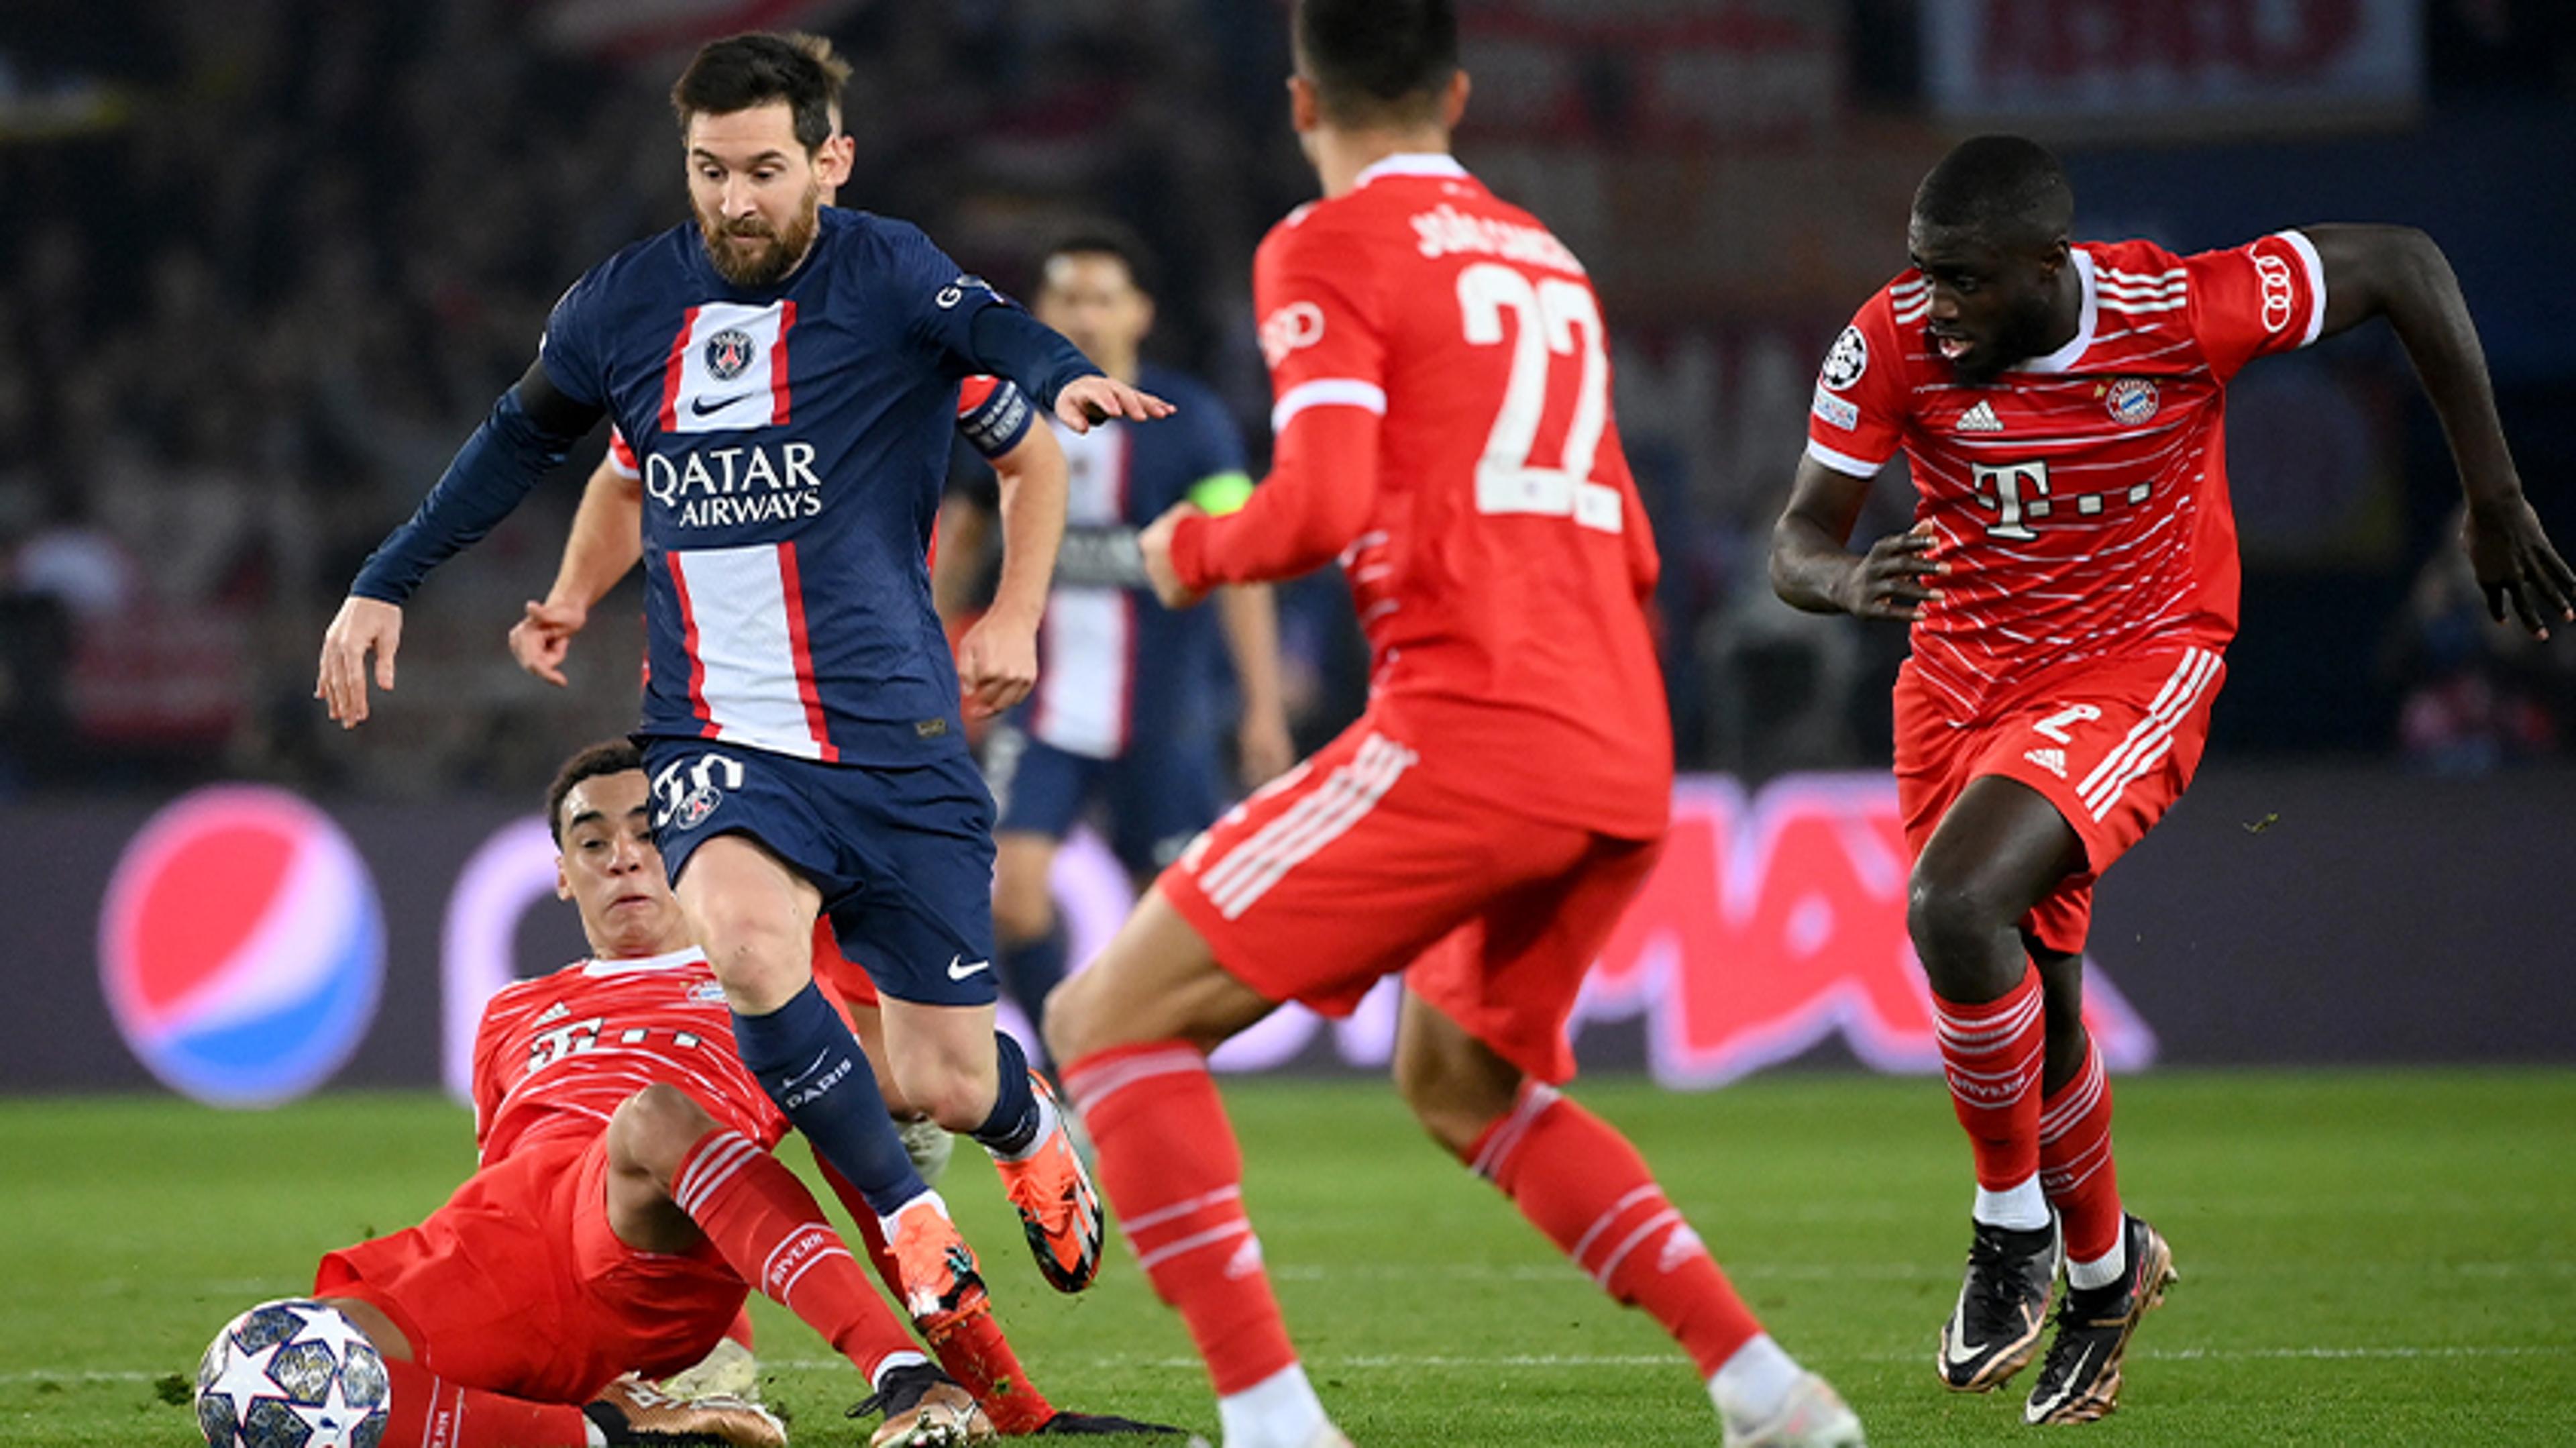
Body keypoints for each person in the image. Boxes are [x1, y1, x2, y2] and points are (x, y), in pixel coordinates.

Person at [1040, 5, 1865, 1447]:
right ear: (1460, 95)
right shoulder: (1550, 261)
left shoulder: (1325, 243)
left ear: (1301, 101)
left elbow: (1319, 504)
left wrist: (1190, 553)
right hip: (1621, 736)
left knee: (1103, 1019)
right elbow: (1634, 541)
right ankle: (1770, 1393)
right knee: (1460, 1078)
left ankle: (1276, 1423)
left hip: (1476, 724)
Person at [316, 34, 1171, 1323]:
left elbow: (1003, 355)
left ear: (830, 161)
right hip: (718, 732)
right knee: (748, 942)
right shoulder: (625, 309)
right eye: (709, 171)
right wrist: (393, 574)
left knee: (939, 1074)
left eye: (763, 170)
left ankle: (1020, 1115)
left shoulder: (889, 276)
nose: (733, 202)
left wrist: (1032, 530)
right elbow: (531, 449)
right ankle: (908, 1215)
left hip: (895, 735)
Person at [1768, 134, 2575, 1425]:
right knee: (2044, 1009)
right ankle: (2104, 1275)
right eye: (1924, 275)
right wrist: (1846, 580)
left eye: (1966, 281)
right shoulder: (1894, 339)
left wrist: (2491, 495)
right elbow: (1798, 539)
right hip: (1957, 689)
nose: (1938, 306)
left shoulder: (2181, 310)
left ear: (2048, 267)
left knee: (1953, 908)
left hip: (2134, 669)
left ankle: (2006, 1226)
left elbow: (2406, 266)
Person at [932, 229, 1294, 1054]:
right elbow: (958, 543)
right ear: (1044, 313)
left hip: (1164, 717)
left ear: (1139, 312)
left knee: (1163, 920)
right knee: (1012, 896)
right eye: (1068, 298)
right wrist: (925, 659)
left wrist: (1263, 708)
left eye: (1103, 297)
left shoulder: (1191, 421)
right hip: (1041, 709)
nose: (1085, 315)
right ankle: (1067, 1070)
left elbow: (1240, 562)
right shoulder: (1008, 412)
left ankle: (1135, 1068)